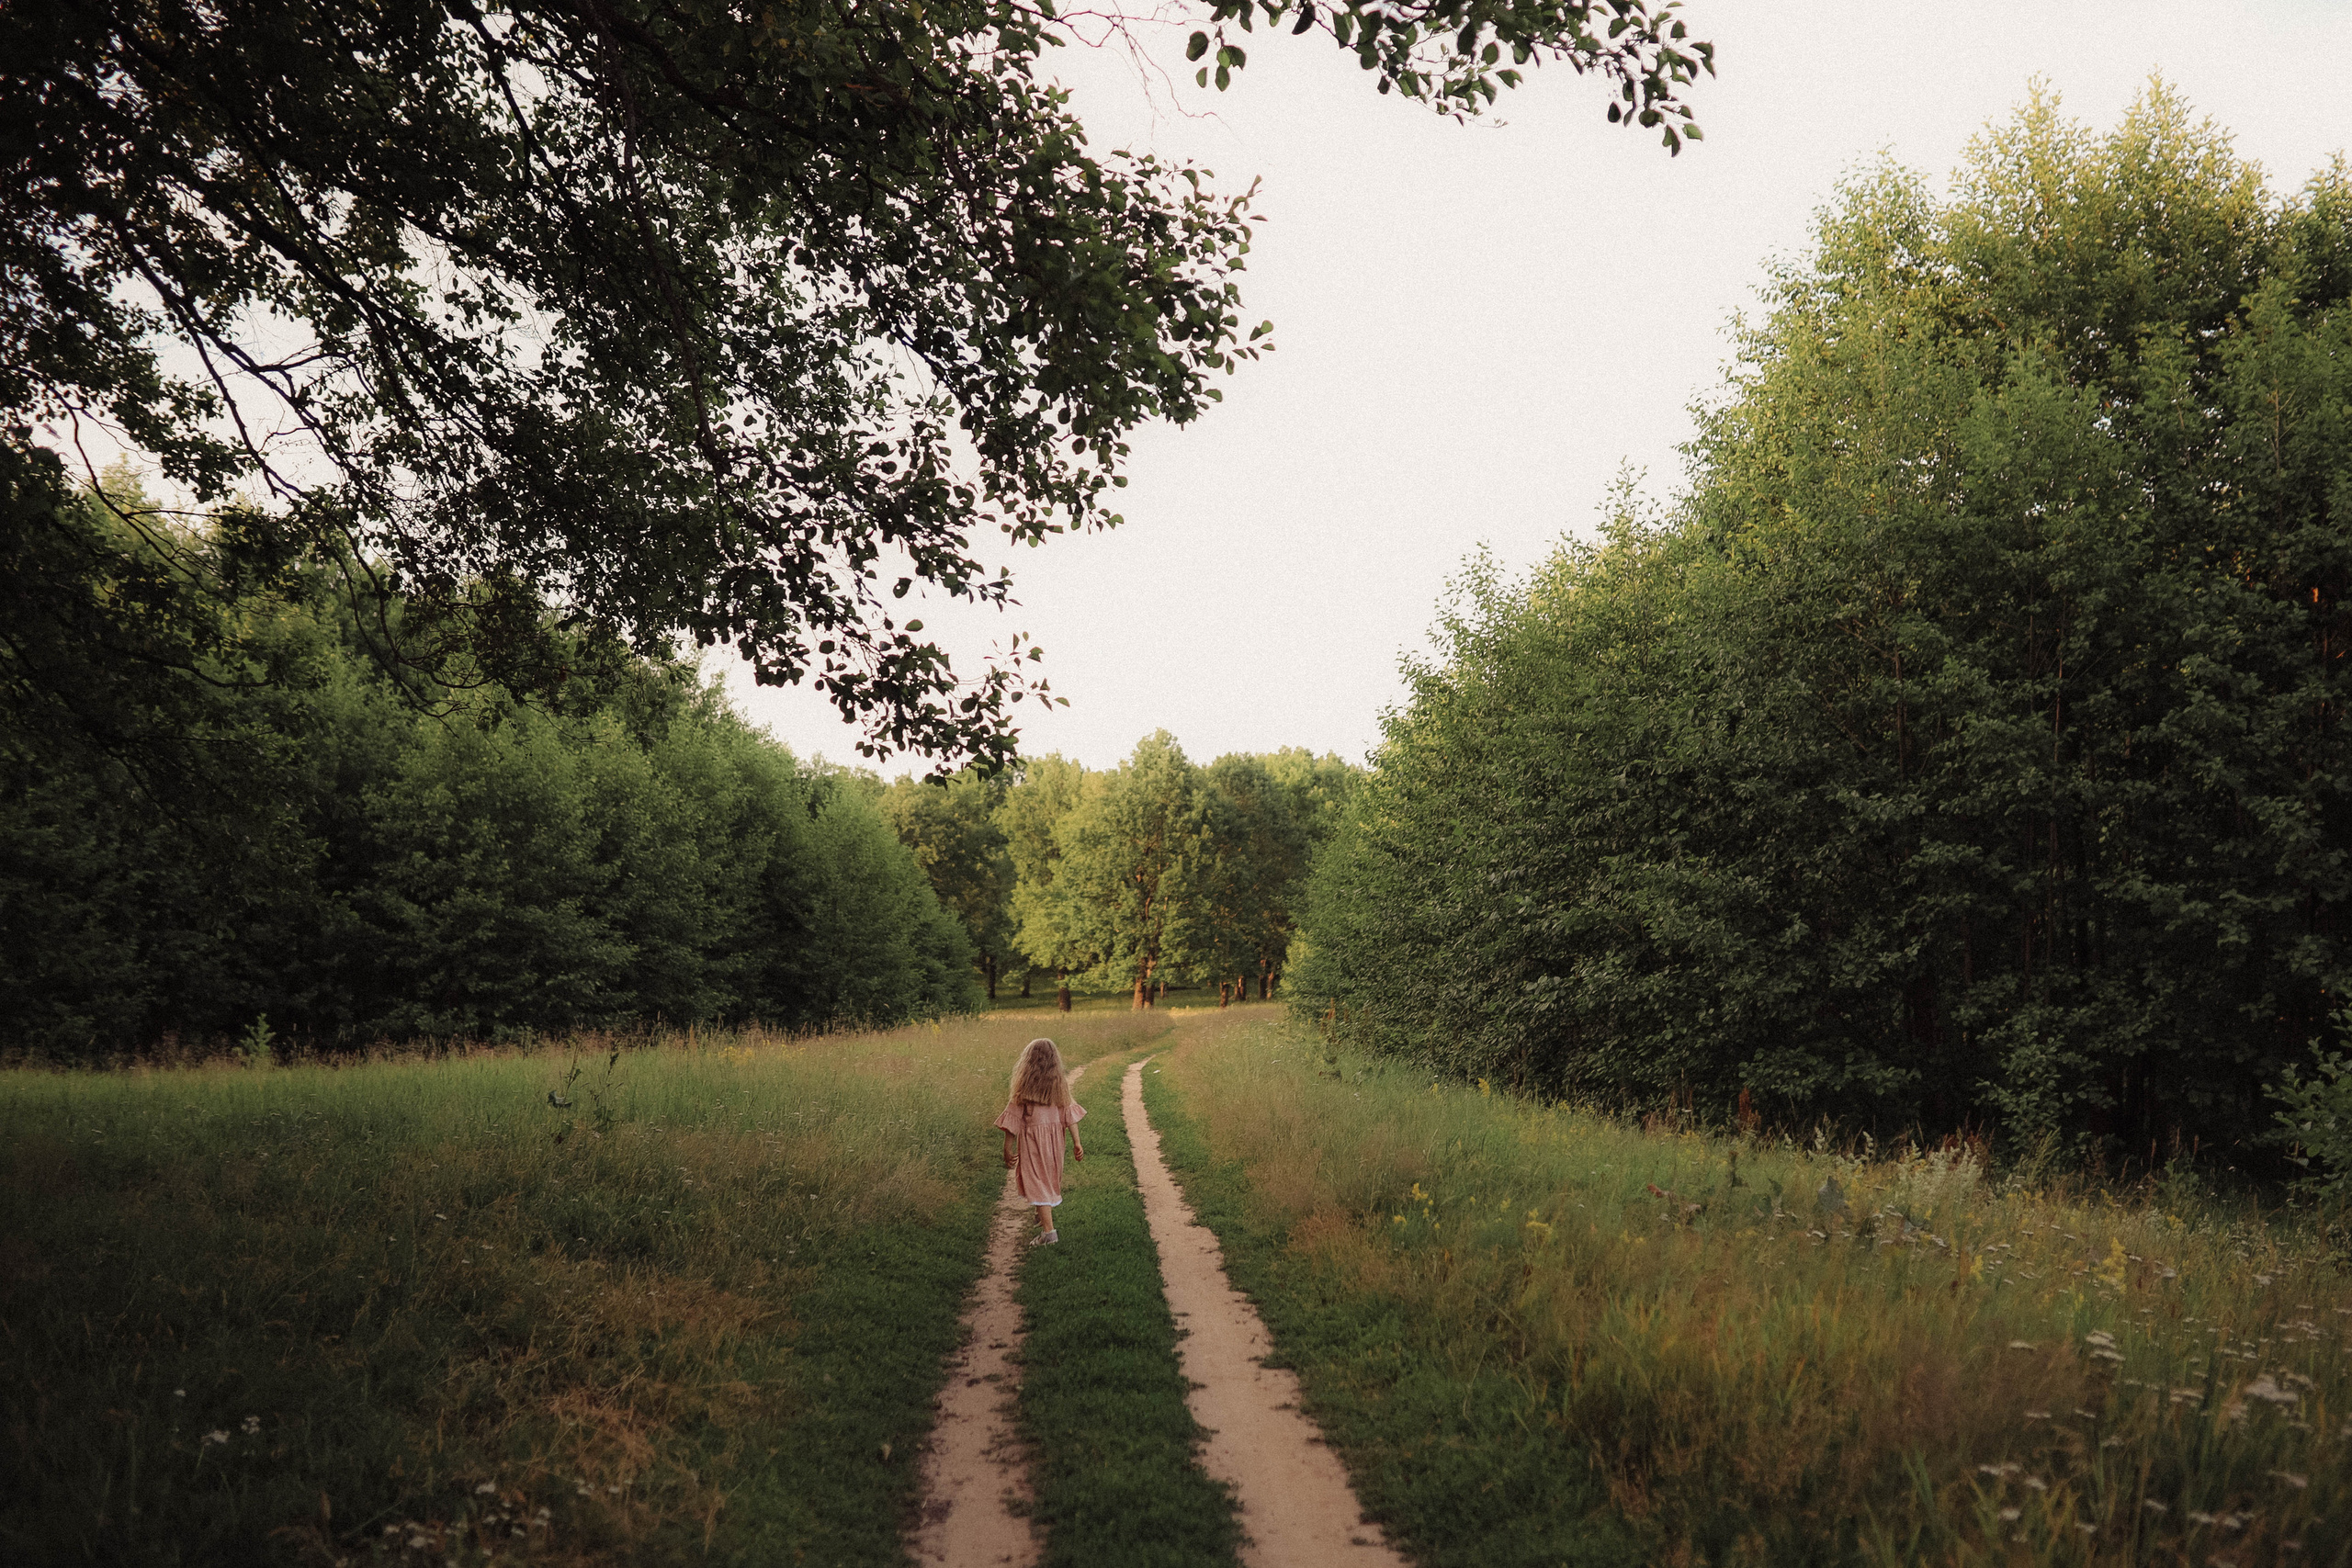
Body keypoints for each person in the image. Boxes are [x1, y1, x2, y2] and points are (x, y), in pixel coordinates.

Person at [996, 1037, 1086, 1245]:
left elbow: (1012, 1120)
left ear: (1028, 1063)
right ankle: (1041, 1214)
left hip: (1033, 1143)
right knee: (1047, 1179)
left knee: (1037, 1181)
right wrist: (1077, 1142)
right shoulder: (1059, 1087)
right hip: (1055, 1143)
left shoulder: (1024, 1088)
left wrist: (1007, 1148)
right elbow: (1069, 1115)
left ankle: (1049, 1233)